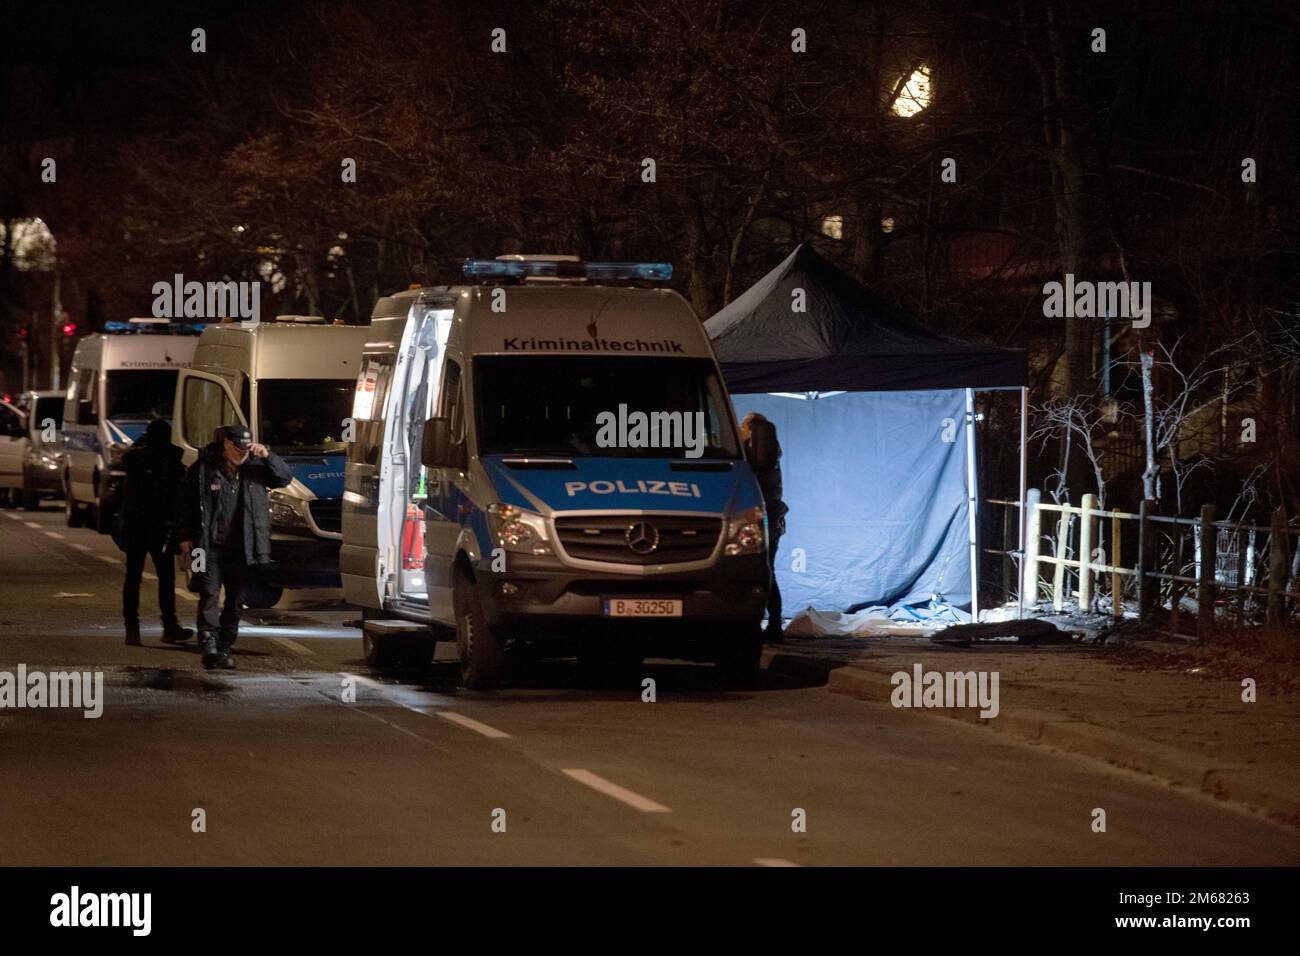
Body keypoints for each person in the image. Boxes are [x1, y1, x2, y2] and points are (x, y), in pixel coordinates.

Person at [178, 424, 292, 670]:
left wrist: (267, 456)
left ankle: (225, 644)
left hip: (243, 549)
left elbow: (285, 478)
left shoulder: (256, 468)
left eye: (246, 448)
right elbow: (186, 503)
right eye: (238, 447)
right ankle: (208, 643)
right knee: (207, 593)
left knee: (235, 599)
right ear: (227, 444)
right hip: (205, 546)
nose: (242, 453)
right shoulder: (203, 469)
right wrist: (184, 536)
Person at [115, 419, 193, 647]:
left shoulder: (134, 460)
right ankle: (169, 626)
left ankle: (132, 628)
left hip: (136, 526)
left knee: (133, 579)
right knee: (166, 579)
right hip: (161, 527)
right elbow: (179, 498)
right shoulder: (172, 460)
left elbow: (127, 457)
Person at [741, 412, 789, 642]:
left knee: (765, 570)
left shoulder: (760, 454)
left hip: (764, 519)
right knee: (765, 570)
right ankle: (772, 623)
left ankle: (774, 623)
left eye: (743, 426)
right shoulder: (766, 452)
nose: (740, 430)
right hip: (767, 517)